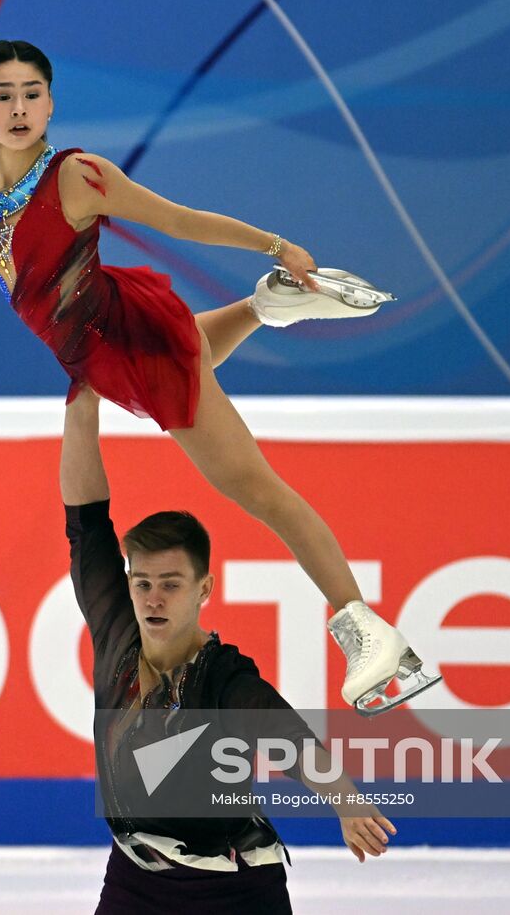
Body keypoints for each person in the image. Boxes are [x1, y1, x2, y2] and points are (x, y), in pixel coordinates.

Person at [0, 39, 439, 713]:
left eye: (33, 93)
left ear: (52, 103)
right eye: (3, 96)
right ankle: (268, 304)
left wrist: (276, 245)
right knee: (192, 354)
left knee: (257, 488)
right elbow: (30, 281)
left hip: (128, 342)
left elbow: (179, 220)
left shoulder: (77, 176)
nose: (20, 108)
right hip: (100, 345)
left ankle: (369, 631)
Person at [61, 382, 396, 913]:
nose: (153, 597)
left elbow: (287, 737)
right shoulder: (116, 631)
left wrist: (346, 800)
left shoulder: (222, 675)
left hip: (233, 889)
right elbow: (87, 526)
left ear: (204, 589)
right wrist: (83, 403)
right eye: (142, 582)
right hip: (134, 878)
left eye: (170, 583)